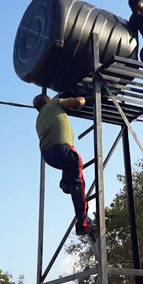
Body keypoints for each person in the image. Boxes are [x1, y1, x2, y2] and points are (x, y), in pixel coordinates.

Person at [33, 93, 96, 236]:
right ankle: (83, 223)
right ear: (48, 100)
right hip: (62, 149)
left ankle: (65, 183)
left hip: (48, 155)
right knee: (77, 181)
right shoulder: (55, 103)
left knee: (69, 166)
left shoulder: (39, 118)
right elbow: (77, 102)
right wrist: (85, 99)